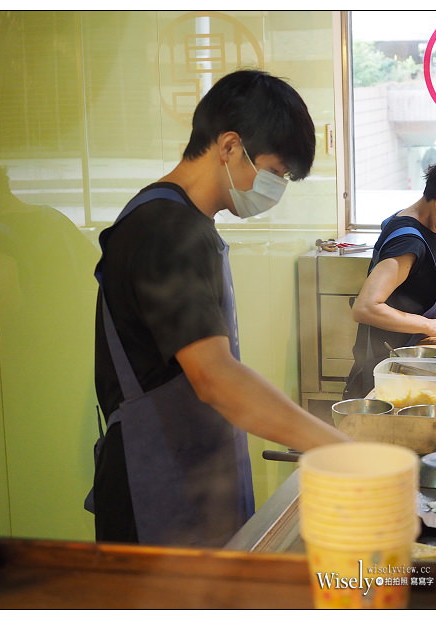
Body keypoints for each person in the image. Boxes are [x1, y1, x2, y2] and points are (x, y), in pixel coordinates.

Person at [91, 69, 350, 547]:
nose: (276, 188)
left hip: (189, 472)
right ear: (229, 145)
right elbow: (214, 376)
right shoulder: (164, 228)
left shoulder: (185, 222)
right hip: (156, 493)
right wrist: (340, 448)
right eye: (275, 172)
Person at [343, 153, 436, 400]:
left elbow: (403, 293)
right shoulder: (408, 241)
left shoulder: (419, 223)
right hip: (389, 373)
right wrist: (430, 325)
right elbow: (366, 308)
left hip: (406, 363)